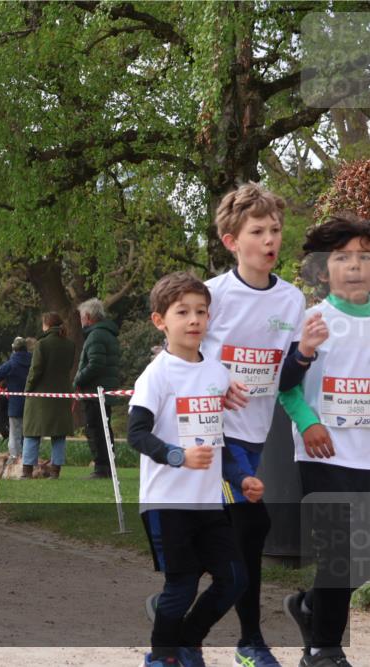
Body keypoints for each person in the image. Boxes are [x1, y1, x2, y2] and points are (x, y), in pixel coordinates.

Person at [202, 183, 326, 667]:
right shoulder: (212, 295)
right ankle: (250, 642)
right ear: (233, 241)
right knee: (254, 525)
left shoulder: (292, 301)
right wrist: (215, 379)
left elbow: (286, 379)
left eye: (275, 229)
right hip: (212, 433)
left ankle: (182, 614)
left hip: (254, 434)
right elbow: (178, 354)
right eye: (258, 231)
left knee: (231, 536)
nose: (270, 239)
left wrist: (306, 353)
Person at [128, 271, 262, 667]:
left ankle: (186, 641)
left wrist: (242, 478)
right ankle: (163, 657)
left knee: (234, 579)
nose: (193, 320)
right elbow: (136, 434)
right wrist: (177, 456)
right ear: (160, 321)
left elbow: (219, 440)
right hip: (166, 502)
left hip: (208, 504)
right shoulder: (156, 375)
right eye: (182, 312)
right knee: (182, 587)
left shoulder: (217, 373)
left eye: (201, 311)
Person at [278, 213, 370, 667]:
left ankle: (310, 605)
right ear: (323, 267)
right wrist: (307, 421)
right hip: (323, 448)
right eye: (342, 256)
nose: (355, 265)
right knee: (340, 551)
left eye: (364, 256)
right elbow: (285, 382)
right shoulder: (313, 318)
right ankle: (324, 648)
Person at [21, 314, 75, 479]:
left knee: (32, 432)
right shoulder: (70, 345)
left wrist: (27, 389)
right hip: (61, 394)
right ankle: (55, 471)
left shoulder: (42, 344)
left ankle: (27, 471)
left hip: (40, 395)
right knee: (59, 435)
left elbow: (35, 370)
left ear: (46, 325)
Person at [73, 298, 121, 479]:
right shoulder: (107, 334)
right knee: (104, 429)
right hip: (104, 389)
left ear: (87, 316)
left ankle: (101, 467)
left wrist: (78, 378)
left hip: (94, 391)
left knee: (95, 430)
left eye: (81, 317)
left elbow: (95, 364)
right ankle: (108, 466)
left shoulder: (95, 335)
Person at [0, 336, 31, 463]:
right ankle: (28, 461)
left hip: (15, 405)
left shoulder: (12, 363)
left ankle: (15, 460)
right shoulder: (33, 361)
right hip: (31, 404)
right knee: (28, 434)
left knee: (14, 434)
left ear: (14, 349)